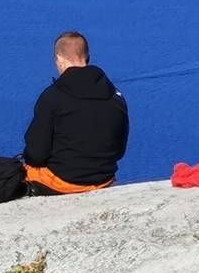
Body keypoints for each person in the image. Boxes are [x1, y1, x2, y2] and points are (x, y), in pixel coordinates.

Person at [23, 31, 129, 195]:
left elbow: (36, 155)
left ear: (59, 59)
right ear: (87, 57)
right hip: (104, 178)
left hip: (64, 181)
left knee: (16, 173)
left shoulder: (52, 97)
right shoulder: (115, 96)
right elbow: (119, 150)